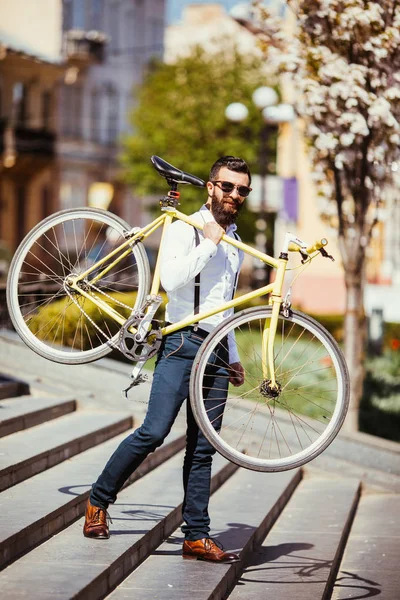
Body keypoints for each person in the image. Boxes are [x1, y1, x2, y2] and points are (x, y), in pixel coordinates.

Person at [83, 156, 252, 563]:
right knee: (154, 431)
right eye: (227, 187)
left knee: (203, 447)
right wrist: (210, 242)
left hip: (215, 349)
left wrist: (232, 354)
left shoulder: (237, 244)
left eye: (242, 190)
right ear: (210, 187)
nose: (234, 195)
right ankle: (98, 500)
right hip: (181, 343)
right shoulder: (185, 229)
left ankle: (196, 534)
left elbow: (225, 305)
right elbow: (172, 280)